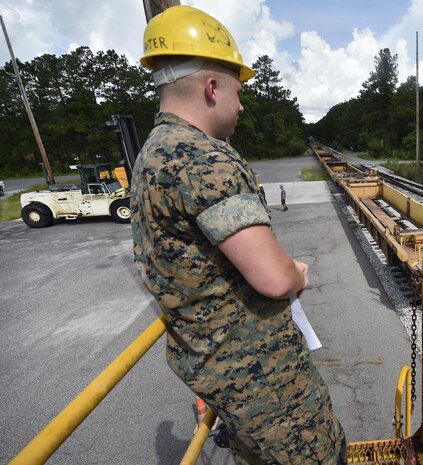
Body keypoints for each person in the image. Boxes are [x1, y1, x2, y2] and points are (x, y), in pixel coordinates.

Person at [130, 6, 346, 464]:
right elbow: (272, 278)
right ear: (212, 88)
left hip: (214, 368)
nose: (242, 105)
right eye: (238, 91)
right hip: (261, 375)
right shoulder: (205, 159)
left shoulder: (152, 154)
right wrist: (298, 274)